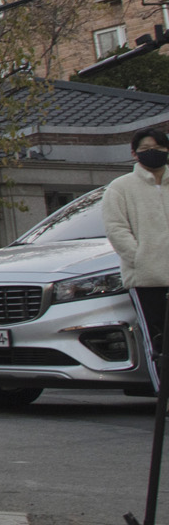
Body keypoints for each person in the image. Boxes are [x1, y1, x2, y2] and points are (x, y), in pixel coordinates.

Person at [105, 127, 169, 394]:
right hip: (147, 279)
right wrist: (140, 258)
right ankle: (165, 396)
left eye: (158, 148)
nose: (152, 153)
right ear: (133, 153)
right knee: (159, 342)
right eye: (144, 149)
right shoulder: (121, 188)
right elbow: (116, 229)